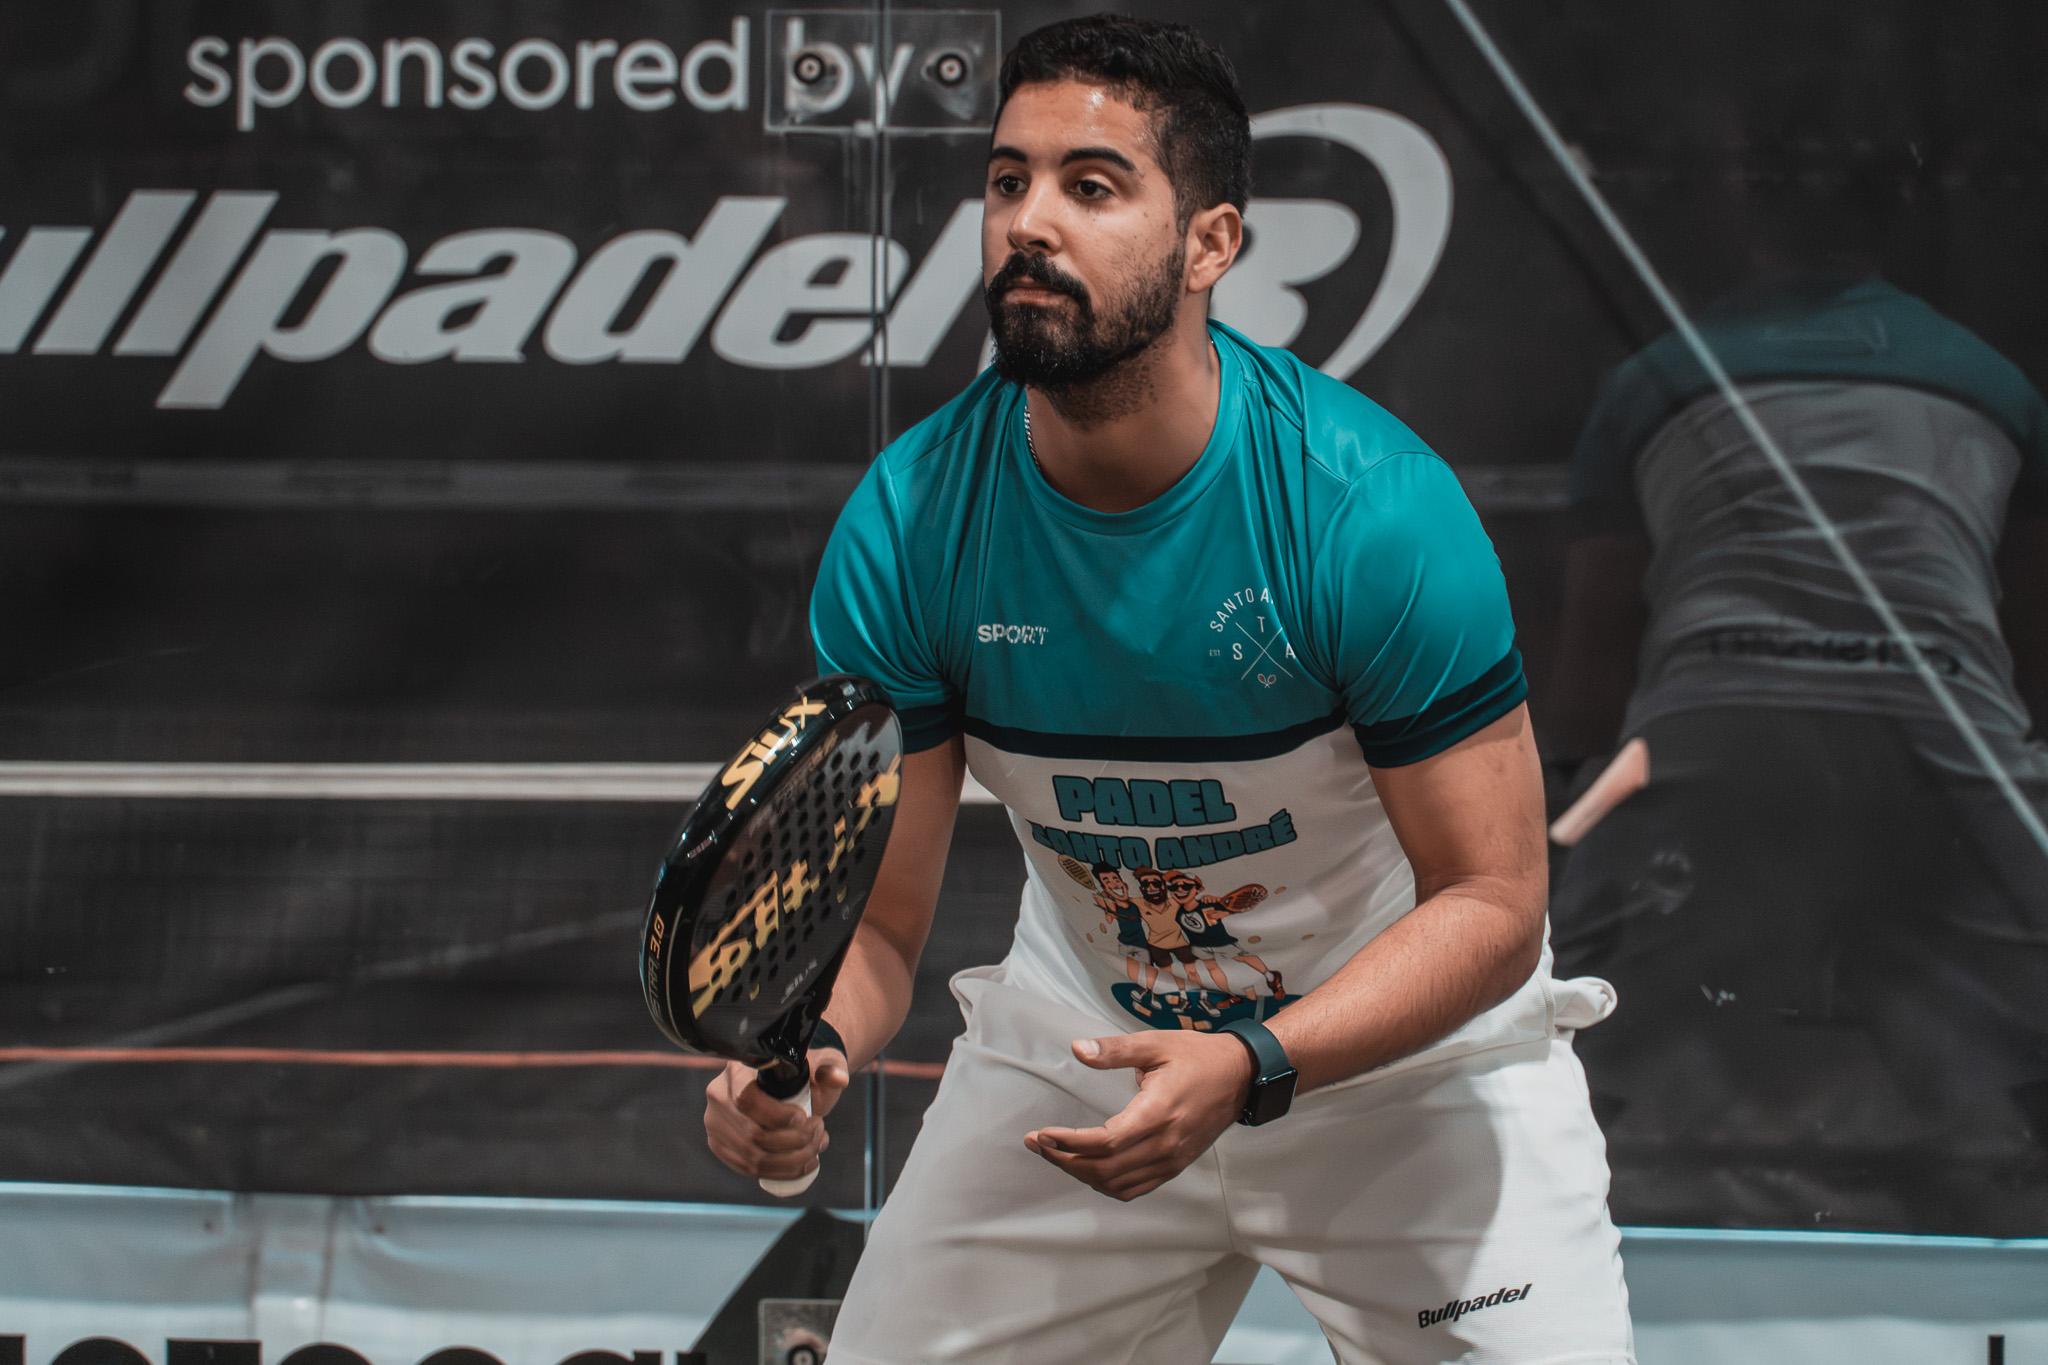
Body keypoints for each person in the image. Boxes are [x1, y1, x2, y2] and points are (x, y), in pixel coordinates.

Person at [702, 16, 1634, 1362]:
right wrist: (810, 1049)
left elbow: (1492, 902)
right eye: (1007, 181)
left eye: (1091, 186)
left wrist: (1254, 1061)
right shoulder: (909, 525)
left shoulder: (1368, 513)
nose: (1029, 223)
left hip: (1405, 1076)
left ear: (1211, 244)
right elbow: (887, 930)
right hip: (1085, 1051)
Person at [1543, 265, 2048, 1233]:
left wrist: (1580, 825)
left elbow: (1589, 674)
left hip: (1703, 724)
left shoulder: (1654, 373)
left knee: (1549, 1001)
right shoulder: (1991, 375)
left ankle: (1545, 1226)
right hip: (1949, 727)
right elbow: (2035, 651)